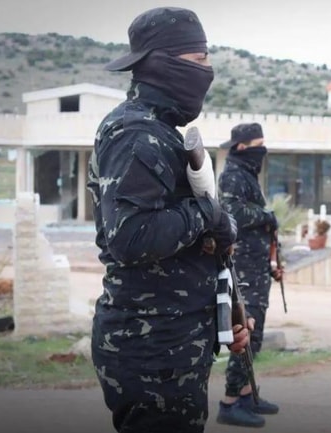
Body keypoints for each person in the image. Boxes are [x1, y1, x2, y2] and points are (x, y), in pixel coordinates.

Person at [87, 7, 251, 432]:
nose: (207, 71)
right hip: (152, 348)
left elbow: (186, 246)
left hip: (171, 341)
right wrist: (207, 212)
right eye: (199, 60)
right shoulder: (135, 134)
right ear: (161, 63)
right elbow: (131, 237)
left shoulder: (161, 132)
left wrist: (226, 315)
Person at [216, 123, 284, 428]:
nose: (263, 150)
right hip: (243, 269)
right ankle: (230, 403)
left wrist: (274, 260)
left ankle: (246, 395)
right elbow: (234, 213)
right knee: (246, 332)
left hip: (256, 267)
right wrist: (267, 216)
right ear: (242, 148)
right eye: (259, 145)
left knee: (254, 334)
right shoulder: (232, 175)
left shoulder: (246, 174)